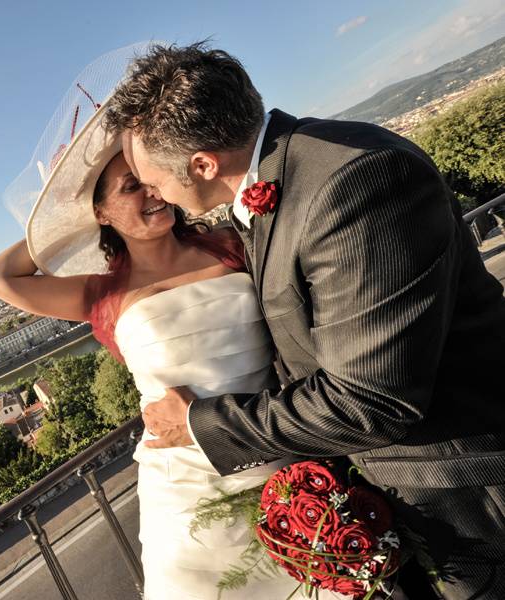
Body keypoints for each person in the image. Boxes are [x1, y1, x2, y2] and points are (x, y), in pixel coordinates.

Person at [105, 42, 505, 599]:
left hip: (464, 498)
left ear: (202, 164)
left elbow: (371, 401)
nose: (154, 193)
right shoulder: (292, 174)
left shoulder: (356, 182)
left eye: (152, 180)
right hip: (389, 493)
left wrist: (199, 422)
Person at [0, 72, 347, 596]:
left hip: (279, 445)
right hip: (184, 491)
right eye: (132, 188)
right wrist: (65, 216)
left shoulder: (230, 244)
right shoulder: (99, 293)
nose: (153, 192)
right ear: (101, 213)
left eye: (151, 179)